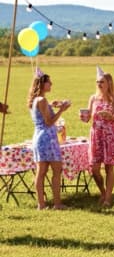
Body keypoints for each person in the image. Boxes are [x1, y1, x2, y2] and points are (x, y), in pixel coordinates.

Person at [27, 68, 71, 210]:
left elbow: (42, 112)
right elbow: (49, 121)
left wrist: (52, 105)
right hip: (48, 139)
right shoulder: (42, 100)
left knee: (41, 172)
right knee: (56, 171)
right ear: (42, 84)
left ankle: (41, 204)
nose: (51, 84)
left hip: (39, 138)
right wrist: (61, 110)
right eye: (49, 82)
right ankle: (57, 204)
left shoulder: (35, 100)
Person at [87, 67, 114, 208]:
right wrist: (84, 117)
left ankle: (108, 198)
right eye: (97, 82)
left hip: (110, 136)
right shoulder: (93, 98)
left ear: (109, 83)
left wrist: (111, 116)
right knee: (94, 168)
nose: (99, 84)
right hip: (96, 135)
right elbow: (89, 117)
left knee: (109, 167)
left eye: (101, 82)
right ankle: (103, 192)